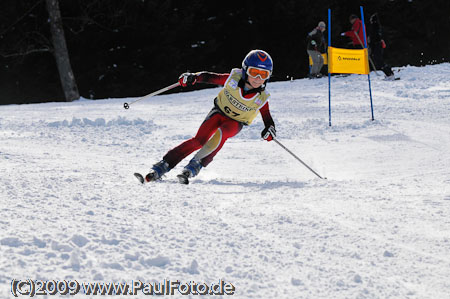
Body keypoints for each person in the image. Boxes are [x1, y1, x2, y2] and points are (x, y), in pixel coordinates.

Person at [142, 49, 277, 184]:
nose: (258, 79)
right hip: (218, 113)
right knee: (198, 141)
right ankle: (164, 165)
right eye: (254, 73)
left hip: (235, 123)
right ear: (245, 70)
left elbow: (267, 118)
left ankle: (197, 163)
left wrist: (269, 130)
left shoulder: (261, 98)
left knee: (223, 132)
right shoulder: (233, 79)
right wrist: (193, 77)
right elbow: (210, 77)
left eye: (263, 74)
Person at [367, 13, 396, 80]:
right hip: (377, 45)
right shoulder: (376, 27)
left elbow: (374, 37)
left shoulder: (374, 27)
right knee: (379, 61)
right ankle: (389, 73)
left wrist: (370, 43)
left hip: (377, 45)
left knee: (379, 62)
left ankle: (389, 74)